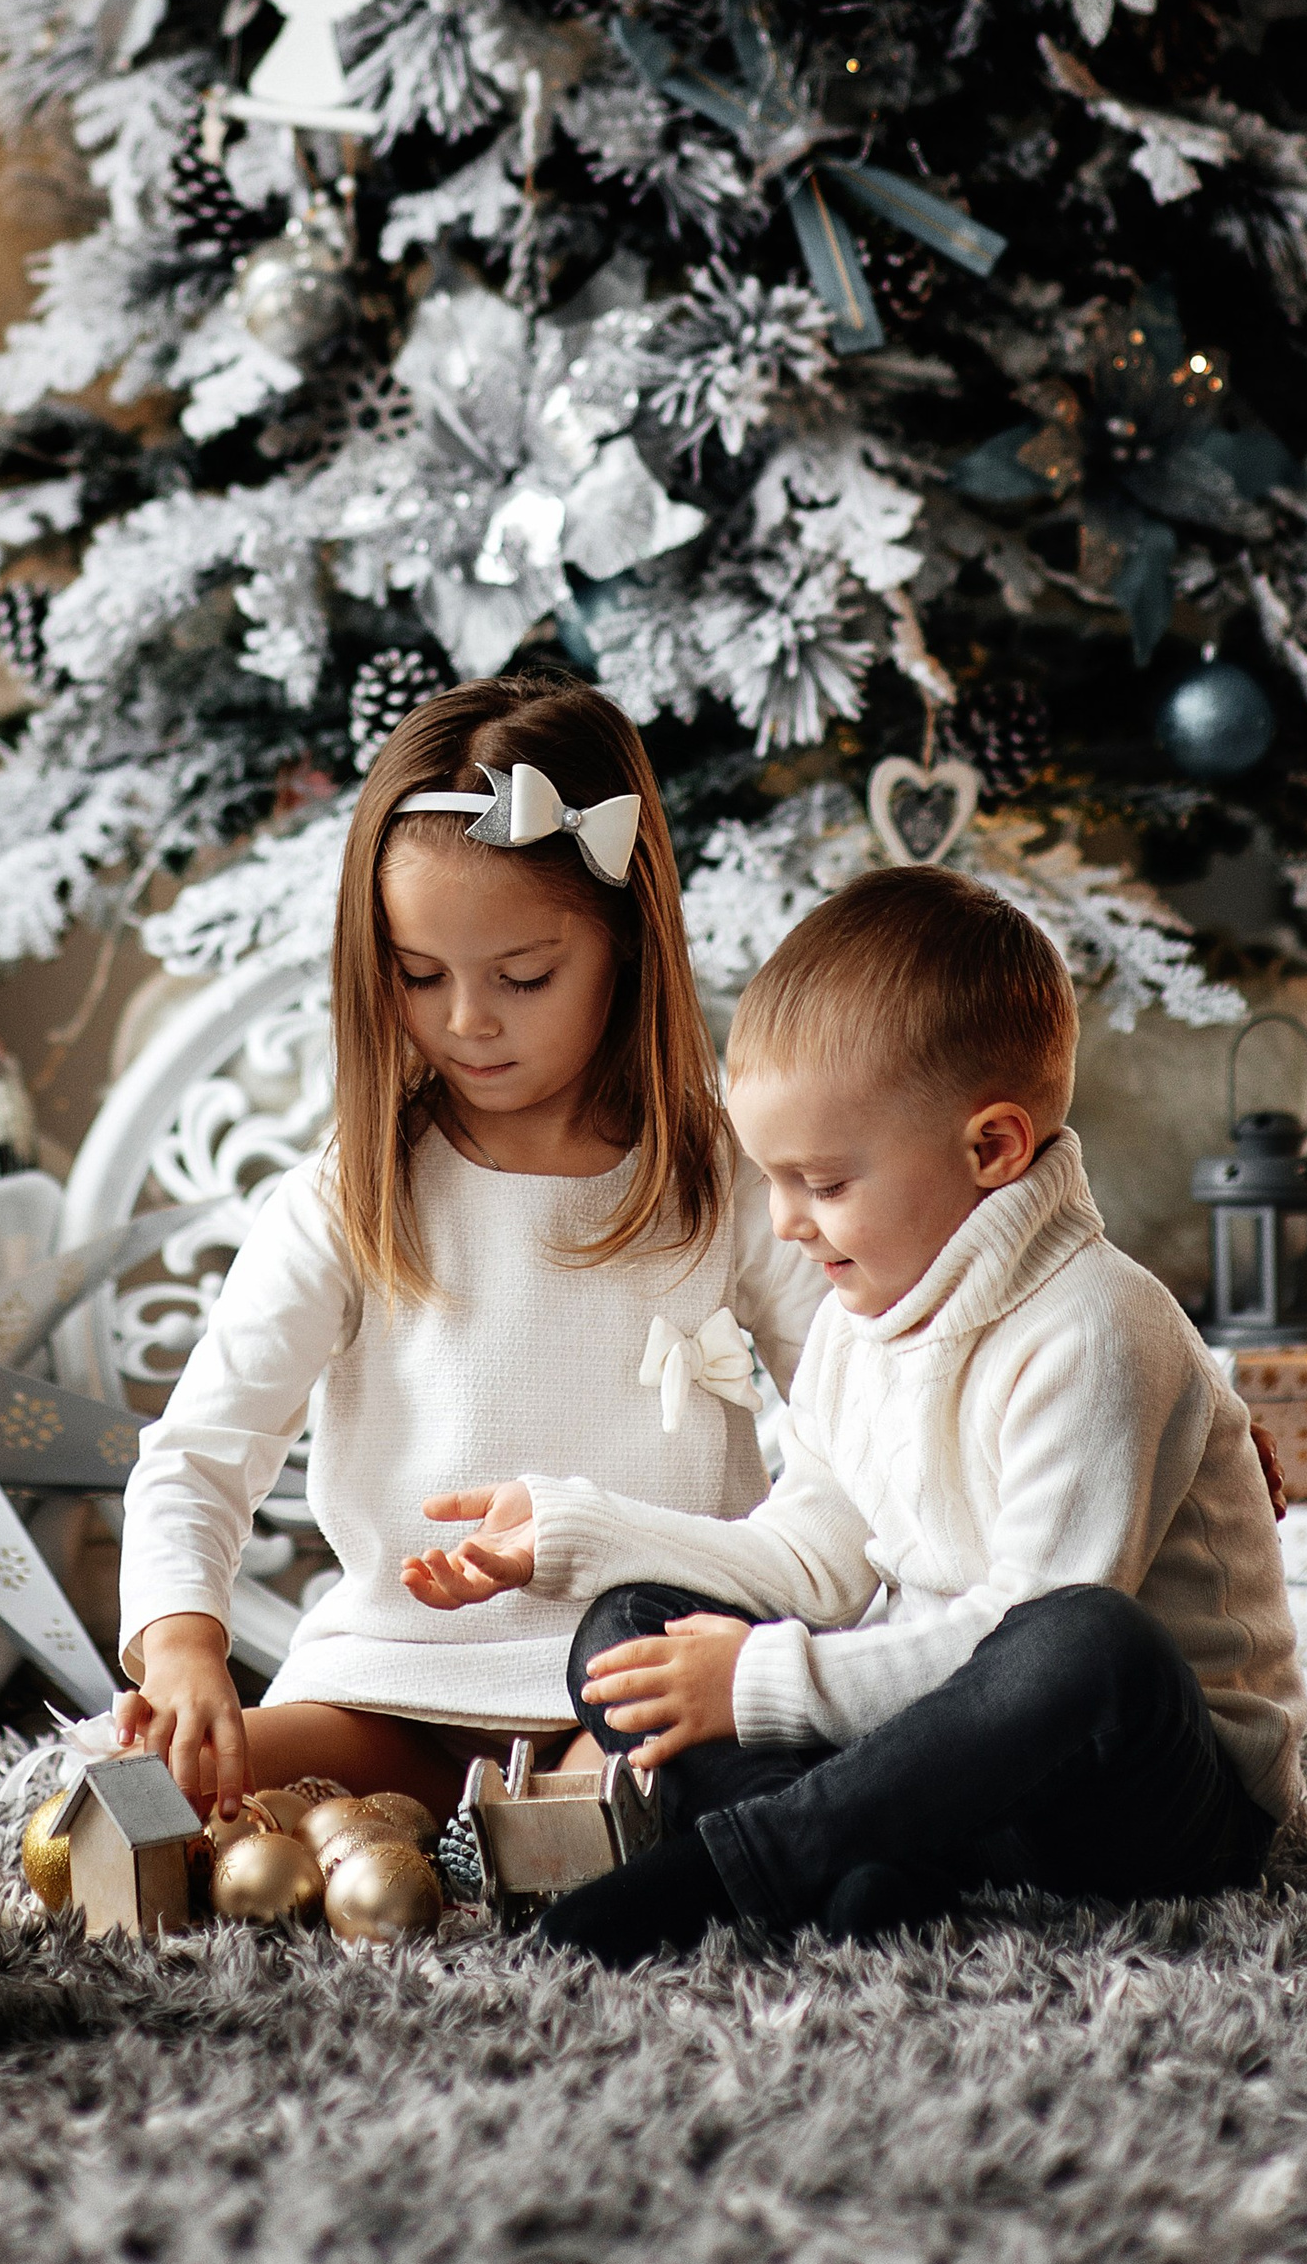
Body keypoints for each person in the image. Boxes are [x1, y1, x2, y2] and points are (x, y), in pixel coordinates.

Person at [402, 863, 1307, 1959]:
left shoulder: (1099, 1328)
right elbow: (817, 1558)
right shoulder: (858, 1317)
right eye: (771, 1180)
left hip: (1141, 1802)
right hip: (945, 1773)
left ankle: (752, 1858)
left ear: (991, 1148)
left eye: (822, 1182)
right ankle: (869, 1861)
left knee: (1084, 1636)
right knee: (625, 1633)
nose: (785, 1222)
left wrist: (767, 1682)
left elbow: (1020, 1635)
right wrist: (577, 1531)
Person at [110, 674, 823, 1820]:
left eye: (523, 977)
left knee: (670, 1791)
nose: (466, 1021)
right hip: (395, 1691)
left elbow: (860, 1411)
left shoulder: (721, 1175)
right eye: (418, 974)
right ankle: (466, 1836)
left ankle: (531, 1835)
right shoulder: (353, 1192)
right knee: (133, 1792)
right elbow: (200, 1449)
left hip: (640, 1684)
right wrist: (184, 1643)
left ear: (627, 944)